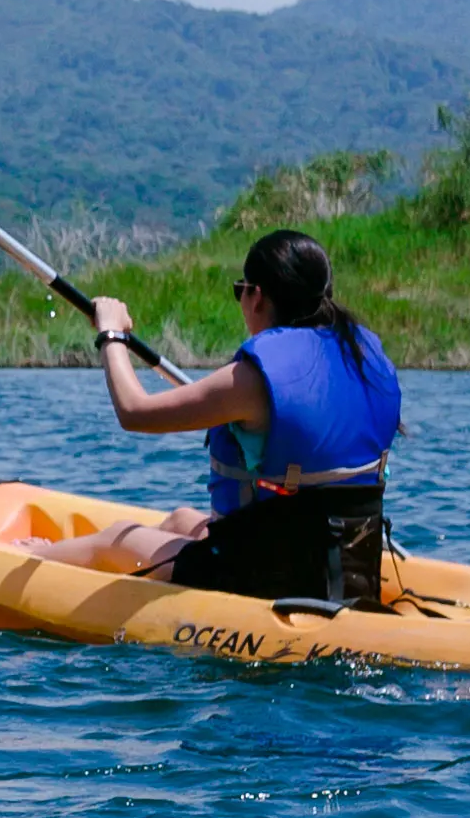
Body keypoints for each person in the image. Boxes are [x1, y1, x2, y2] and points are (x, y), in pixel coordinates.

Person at [38, 229, 405, 604]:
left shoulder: (252, 380)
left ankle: (25, 555)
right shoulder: (362, 356)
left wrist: (111, 334)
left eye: (239, 290)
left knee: (115, 538)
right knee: (182, 519)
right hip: (341, 559)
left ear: (257, 296)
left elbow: (134, 412)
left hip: (263, 574)